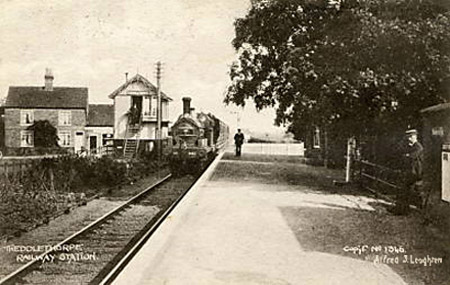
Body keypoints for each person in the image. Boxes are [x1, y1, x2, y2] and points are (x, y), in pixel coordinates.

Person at [391, 128, 424, 215]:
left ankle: (403, 210)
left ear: (415, 137)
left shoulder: (418, 147)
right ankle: (401, 209)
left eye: (410, 137)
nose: (409, 139)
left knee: (407, 190)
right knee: (403, 190)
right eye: (408, 137)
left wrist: (406, 155)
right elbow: (402, 155)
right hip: (409, 172)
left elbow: (411, 157)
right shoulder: (410, 146)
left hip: (415, 173)